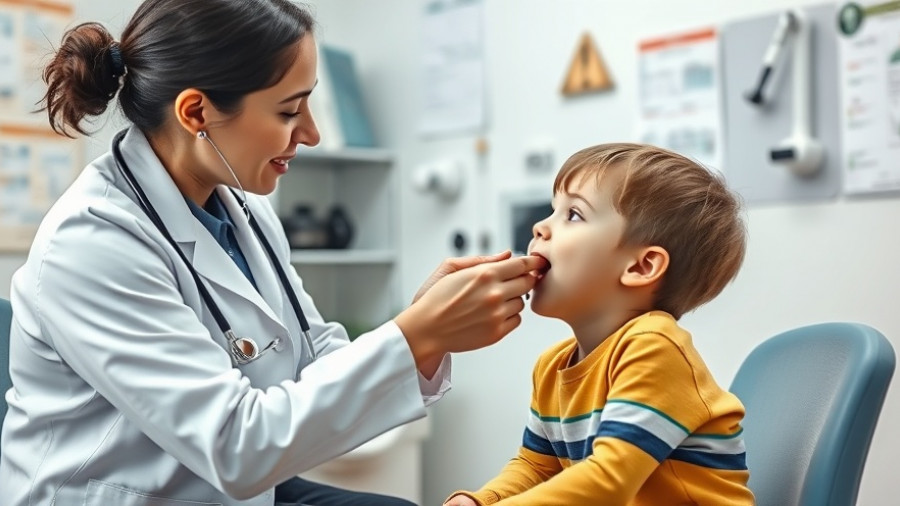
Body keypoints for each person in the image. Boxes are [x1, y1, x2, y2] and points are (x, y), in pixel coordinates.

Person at [0, 1, 547, 505]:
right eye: (289, 111)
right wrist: (417, 334)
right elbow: (235, 446)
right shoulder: (92, 243)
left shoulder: (246, 210)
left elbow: (315, 358)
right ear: (196, 113)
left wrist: (426, 327)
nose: (311, 133)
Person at [445, 144, 754, 505]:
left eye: (573, 214)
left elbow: (607, 481)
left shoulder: (655, 348)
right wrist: (480, 500)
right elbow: (536, 467)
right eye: (553, 209)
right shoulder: (552, 367)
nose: (540, 227)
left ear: (640, 267)